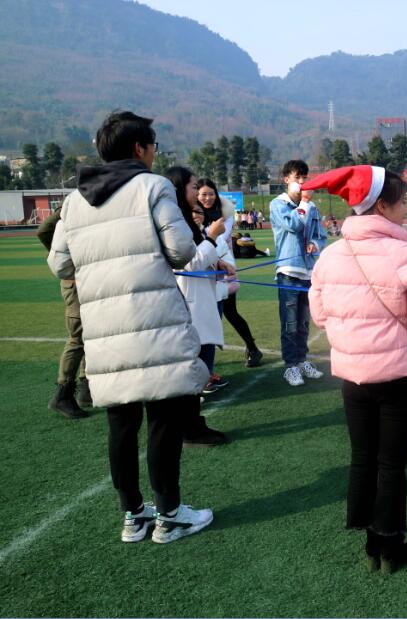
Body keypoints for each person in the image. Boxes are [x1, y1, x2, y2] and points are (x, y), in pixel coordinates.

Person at [47, 110, 213, 544]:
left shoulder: (75, 200)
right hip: (154, 324)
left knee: (120, 426)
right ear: (140, 148)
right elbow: (181, 251)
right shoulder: (152, 186)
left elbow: (59, 263)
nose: (155, 153)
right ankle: (170, 515)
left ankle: (133, 517)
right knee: (163, 421)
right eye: (153, 145)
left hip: (105, 331)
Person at [306, 165, 407, 574]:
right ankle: (390, 545)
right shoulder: (405, 254)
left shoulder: (332, 255)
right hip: (398, 376)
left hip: (352, 376)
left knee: (363, 458)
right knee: (391, 464)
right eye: (402, 202)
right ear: (382, 205)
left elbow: (319, 314)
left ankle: (372, 543)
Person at [166, 166, 232, 447]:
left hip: (199, 300)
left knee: (198, 369)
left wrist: (217, 265)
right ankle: (189, 429)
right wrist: (212, 238)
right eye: (193, 187)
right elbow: (188, 263)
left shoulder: (186, 221)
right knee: (192, 370)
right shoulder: (176, 222)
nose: (198, 192)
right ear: (179, 189)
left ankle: (193, 425)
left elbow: (198, 259)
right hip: (188, 306)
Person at [270, 160, 327, 386]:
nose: (302, 182)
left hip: (308, 271)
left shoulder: (312, 207)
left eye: (305, 177)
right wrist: (304, 203)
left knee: (303, 323)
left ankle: (302, 361)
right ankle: (291, 366)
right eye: (297, 177)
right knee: (290, 323)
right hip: (288, 271)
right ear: (286, 180)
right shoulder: (278, 204)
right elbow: (293, 225)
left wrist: (315, 243)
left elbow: (320, 234)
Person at [197, 178, 263, 368]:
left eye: (211, 194)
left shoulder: (224, 215)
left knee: (230, 312)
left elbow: (218, 239)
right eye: (203, 194)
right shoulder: (194, 214)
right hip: (203, 272)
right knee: (208, 316)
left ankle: (252, 348)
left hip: (224, 270)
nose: (207, 198)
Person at [37, 206, 92, 418]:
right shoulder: (72, 205)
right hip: (75, 282)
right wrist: (58, 253)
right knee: (77, 337)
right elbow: (43, 230)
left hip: (86, 280)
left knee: (90, 334)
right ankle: (62, 395)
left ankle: (86, 387)